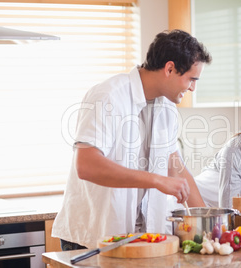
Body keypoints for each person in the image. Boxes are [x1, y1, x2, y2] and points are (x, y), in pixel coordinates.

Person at [52, 29, 212, 250]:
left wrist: (210, 227)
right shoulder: (109, 96)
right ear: (170, 68)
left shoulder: (166, 107)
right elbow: (86, 166)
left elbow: (176, 168)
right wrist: (156, 180)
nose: (193, 87)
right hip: (91, 239)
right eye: (191, 79)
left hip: (137, 239)